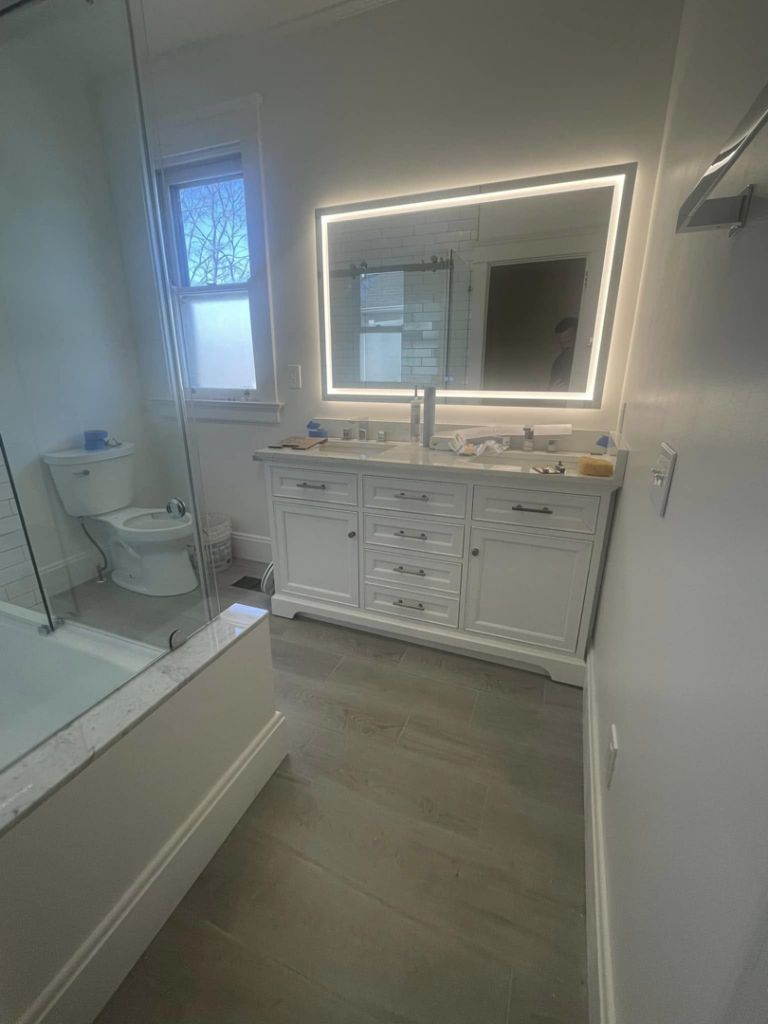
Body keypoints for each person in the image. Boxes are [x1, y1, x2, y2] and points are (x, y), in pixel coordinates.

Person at [549, 316, 578, 391]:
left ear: (578, 337)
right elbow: (552, 389)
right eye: (561, 343)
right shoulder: (559, 363)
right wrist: (552, 392)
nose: (565, 346)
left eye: (568, 342)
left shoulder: (591, 359)